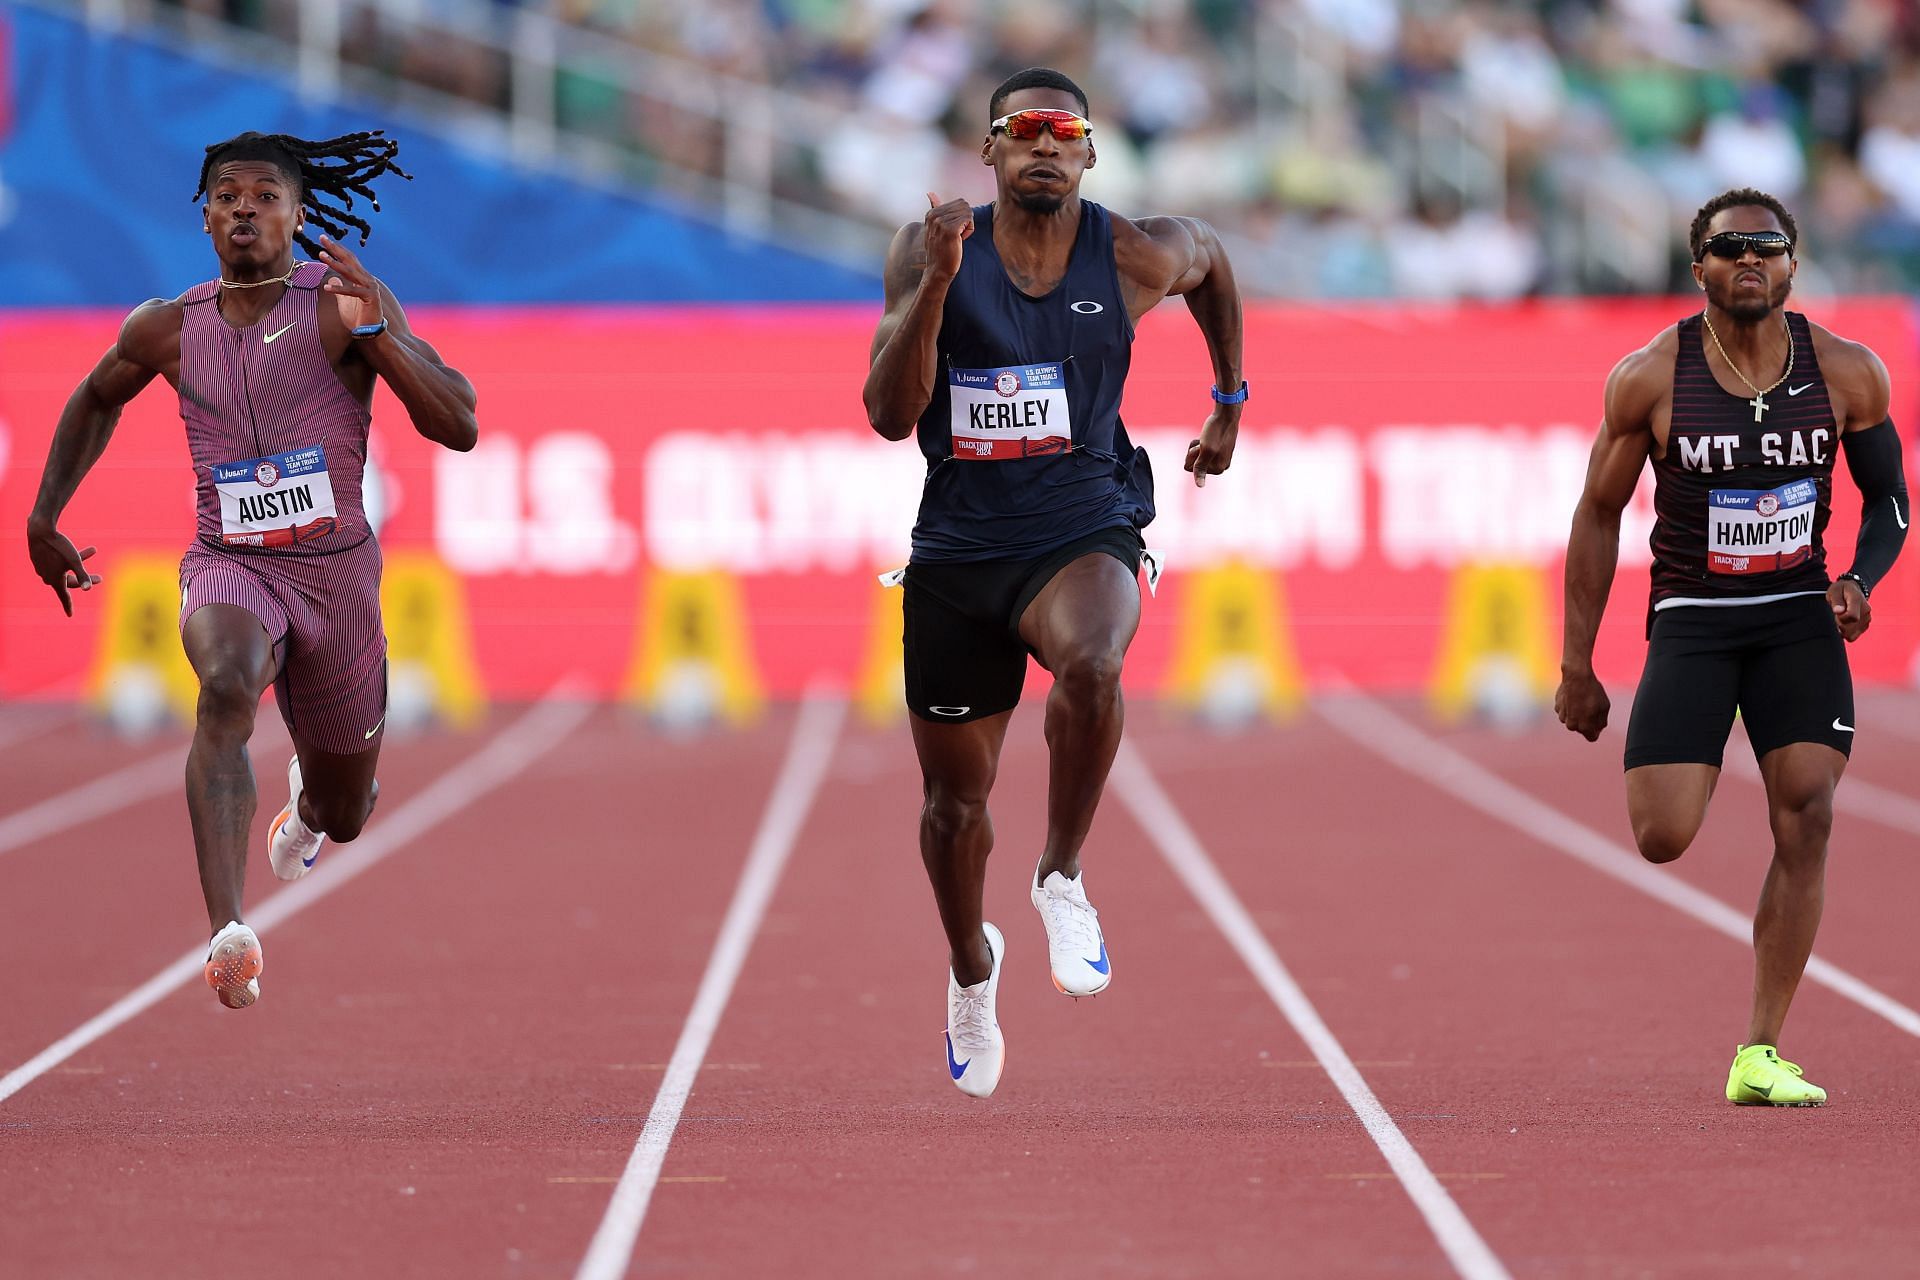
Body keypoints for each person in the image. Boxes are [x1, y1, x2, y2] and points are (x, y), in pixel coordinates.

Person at [26, 131, 477, 1009]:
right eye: (227, 195)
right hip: (231, 563)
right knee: (225, 686)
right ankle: (229, 930)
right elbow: (93, 398)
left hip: (337, 577)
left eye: (265, 195)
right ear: (204, 217)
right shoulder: (166, 326)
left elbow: (457, 422)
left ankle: (307, 807)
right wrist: (45, 516)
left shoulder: (341, 303)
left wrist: (378, 336)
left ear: (298, 215)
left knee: (350, 813)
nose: (244, 208)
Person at [862, 68, 1244, 1097]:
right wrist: (938, 285)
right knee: (954, 806)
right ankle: (971, 970)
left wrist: (1229, 399)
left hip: (1083, 519)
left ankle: (1062, 874)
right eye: (1019, 130)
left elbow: (1211, 264)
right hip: (958, 544)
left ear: (1087, 154)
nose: (1042, 145)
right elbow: (891, 416)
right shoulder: (928, 246)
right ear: (988, 153)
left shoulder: (1129, 250)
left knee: (1095, 661)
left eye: (1062, 131)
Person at [1556, 188, 1909, 1105]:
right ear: (1698, 265)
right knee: (1662, 835)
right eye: (1728, 247)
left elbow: (1891, 503)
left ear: (1794, 261)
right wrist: (1577, 663)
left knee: (1809, 810)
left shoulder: (1848, 372)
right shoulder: (1649, 376)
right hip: (1694, 621)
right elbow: (1597, 514)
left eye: (1766, 244)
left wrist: (1861, 580)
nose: (1747, 258)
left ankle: (1760, 1051)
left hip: (1798, 615)